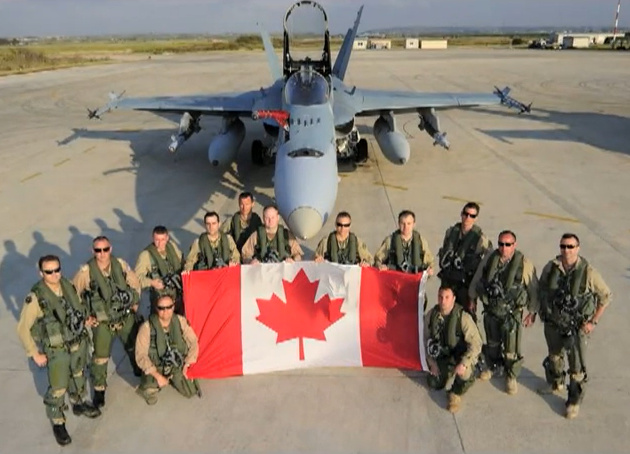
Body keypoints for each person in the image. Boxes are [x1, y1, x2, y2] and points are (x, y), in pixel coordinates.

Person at [16, 255, 101, 446]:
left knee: (78, 374)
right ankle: (58, 422)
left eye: (57, 270)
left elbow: (77, 308)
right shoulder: (36, 297)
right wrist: (34, 353)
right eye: (49, 272)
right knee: (58, 386)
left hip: (77, 341)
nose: (54, 275)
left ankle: (78, 403)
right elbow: (22, 328)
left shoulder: (67, 285)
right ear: (41, 273)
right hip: (57, 349)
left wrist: (86, 320)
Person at [537, 233, 612, 419]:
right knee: (554, 356)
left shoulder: (588, 273)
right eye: (563, 246)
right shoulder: (552, 267)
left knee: (576, 367)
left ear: (578, 248)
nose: (566, 250)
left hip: (576, 327)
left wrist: (593, 321)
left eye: (570, 247)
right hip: (554, 322)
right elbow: (542, 287)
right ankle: (555, 383)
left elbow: (606, 296)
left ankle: (573, 401)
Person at [72, 235, 143, 409]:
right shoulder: (86, 272)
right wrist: (85, 317)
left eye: (105, 249)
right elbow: (74, 296)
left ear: (110, 249)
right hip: (102, 323)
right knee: (100, 358)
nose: (102, 254)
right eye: (98, 250)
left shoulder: (120, 265)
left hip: (124, 317)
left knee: (133, 345)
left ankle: (138, 368)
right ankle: (99, 390)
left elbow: (135, 283)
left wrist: (135, 302)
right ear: (93, 251)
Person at [468, 230, 539, 395]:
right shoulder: (490, 259)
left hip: (511, 314)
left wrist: (532, 312)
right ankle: (493, 366)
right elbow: (478, 278)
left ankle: (511, 375)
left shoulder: (524, 264)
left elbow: (533, 288)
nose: (504, 247)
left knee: (511, 348)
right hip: (492, 311)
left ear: (514, 245)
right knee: (492, 343)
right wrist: (472, 298)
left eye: (508, 244)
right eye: (501, 244)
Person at [424, 284, 483, 413]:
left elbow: (476, 343)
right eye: (440, 297)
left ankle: (456, 393)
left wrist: (464, 363)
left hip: (460, 356)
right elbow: (425, 340)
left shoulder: (463, 317)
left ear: (453, 298)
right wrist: (431, 362)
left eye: (447, 297)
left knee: (465, 373)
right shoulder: (431, 316)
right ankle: (447, 372)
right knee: (433, 382)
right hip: (443, 356)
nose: (443, 301)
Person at [134, 295, 202, 405]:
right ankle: (145, 387)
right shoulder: (147, 328)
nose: (165, 311)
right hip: (157, 366)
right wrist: (157, 376)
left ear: (173, 307)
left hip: (175, 363)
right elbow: (140, 355)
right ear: (156, 309)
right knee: (150, 392)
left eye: (169, 307)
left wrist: (188, 364)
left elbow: (193, 342)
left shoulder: (180, 321)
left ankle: (171, 377)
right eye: (161, 308)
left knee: (190, 391)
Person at [438, 202, 492, 322]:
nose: (468, 218)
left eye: (472, 216)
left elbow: (486, 264)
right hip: (448, 282)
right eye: (466, 214)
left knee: (467, 319)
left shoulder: (481, 239)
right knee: (445, 315)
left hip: (466, 285)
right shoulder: (451, 232)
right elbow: (444, 254)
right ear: (461, 214)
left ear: (476, 218)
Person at [373, 210, 434, 309]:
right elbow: (377, 259)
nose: (406, 227)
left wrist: (429, 271)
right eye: (403, 223)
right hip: (395, 286)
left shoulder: (420, 241)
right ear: (398, 224)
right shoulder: (390, 241)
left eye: (409, 223)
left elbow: (430, 262)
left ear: (414, 224)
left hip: (414, 286)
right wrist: (381, 267)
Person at [134, 225, 185, 315]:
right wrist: (152, 282)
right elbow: (136, 278)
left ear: (167, 238)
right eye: (157, 240)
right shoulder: (146, 255)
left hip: (177, 297)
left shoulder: (172, 247)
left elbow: (182, 263)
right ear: (152, 238)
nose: (160, 243)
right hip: (160, 301)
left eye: (163, 239)